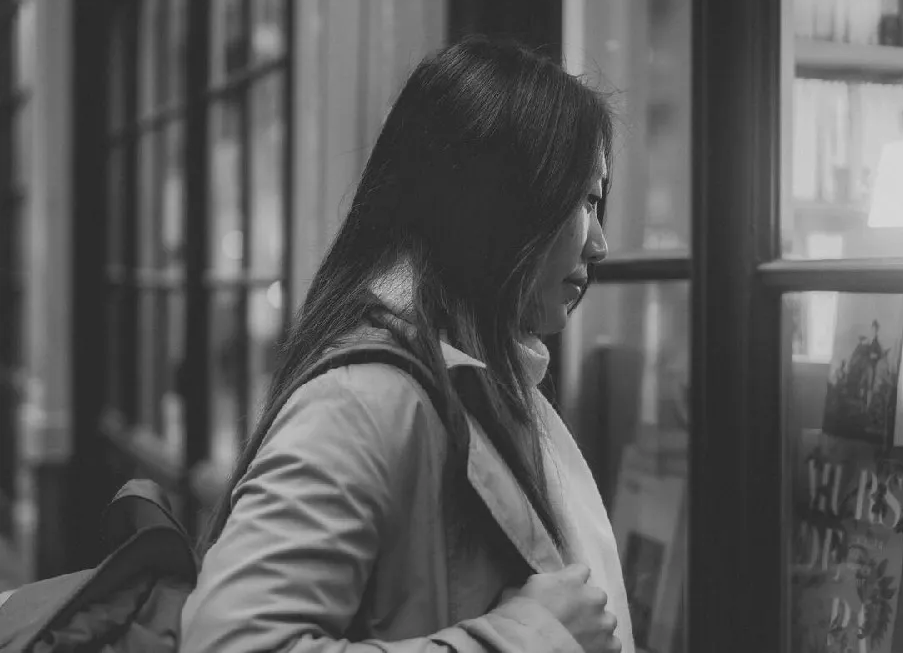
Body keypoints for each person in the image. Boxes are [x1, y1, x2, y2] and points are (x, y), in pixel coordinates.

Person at [180, 36, 634, 653]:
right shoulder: (367, 400)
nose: (599, 242)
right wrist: (523, 641)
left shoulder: (464, 380)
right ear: (499, 203)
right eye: (583, 199)